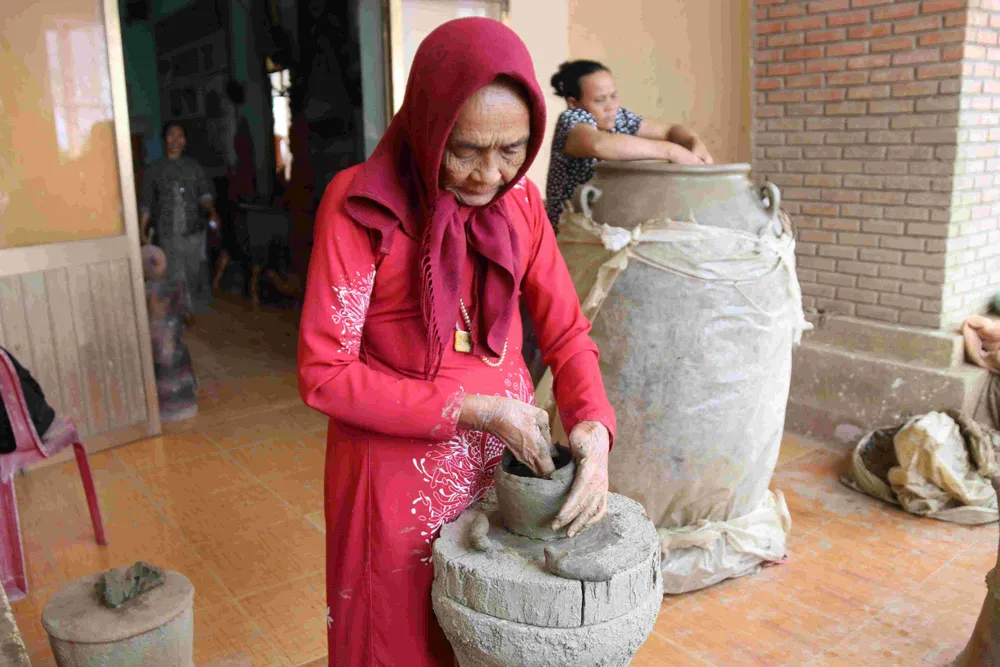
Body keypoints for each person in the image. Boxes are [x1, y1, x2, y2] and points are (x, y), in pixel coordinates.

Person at [297, 18, 616, 666]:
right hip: (396, 480)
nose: (488, 175)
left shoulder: (521, 206)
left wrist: (592, 425)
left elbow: (566, 331)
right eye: (465, 150)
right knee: (401, 643)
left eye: (512, 150)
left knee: (491, 637)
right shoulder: (362, 207)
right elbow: (324, 373)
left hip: (497, 469)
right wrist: (475, 410)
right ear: (428, 125)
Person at [545, 59, 715, 227]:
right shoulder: (572, 119)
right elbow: (598, 145)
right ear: (574, 103)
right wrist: (671, 151)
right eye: (600, 100)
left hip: (604, 221)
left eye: (613, 96)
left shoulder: (617, 117)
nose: (610, 106)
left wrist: (694, 142)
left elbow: (670, 130)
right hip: (567, 228)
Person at [140, 121, 220, 314]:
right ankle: (181, 311)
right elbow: (147, 202)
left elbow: (205, 194)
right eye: (171, 135)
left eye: (180, 136)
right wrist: (142, 229)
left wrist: (212, 213)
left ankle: (188, 307)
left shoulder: (194, 167)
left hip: (193, 228)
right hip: (167, 230)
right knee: (173, 273)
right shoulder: (154, 169)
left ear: (184, 140)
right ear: (164, 139)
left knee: (193, 270)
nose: (175, 140)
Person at [142, 245, 198, 423]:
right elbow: (189, 319)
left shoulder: (141, 291)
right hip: (176, 354)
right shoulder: (176, 287)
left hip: (155, 356)